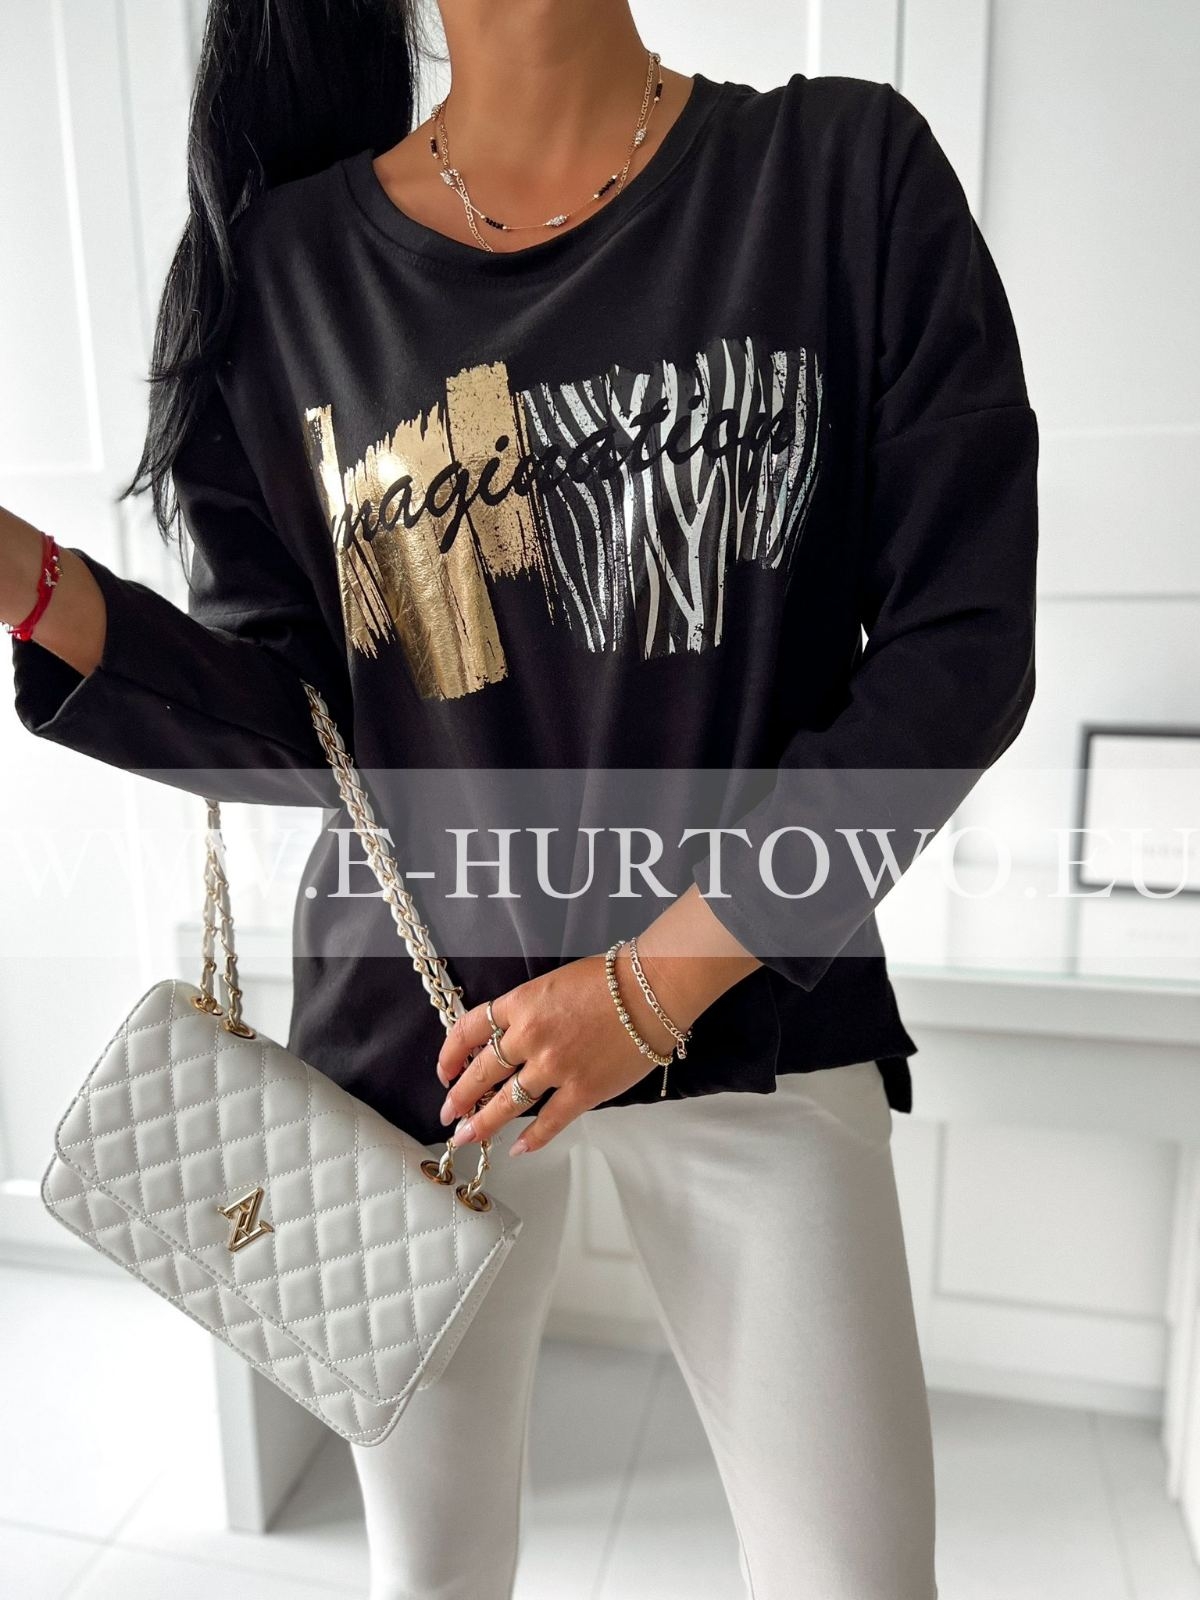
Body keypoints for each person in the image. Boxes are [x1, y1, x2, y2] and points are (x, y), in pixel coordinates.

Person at [2, 1, 1039, 1595]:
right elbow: (295, 721)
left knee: (858, 1577)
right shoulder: (286, 271)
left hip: (752, 1013)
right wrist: (28, 584)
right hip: (422, 1054)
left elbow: (957, 658)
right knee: (434, 1578)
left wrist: (647, 990)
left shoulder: (835, 173)